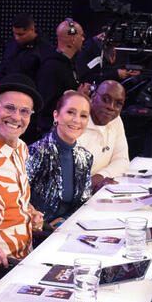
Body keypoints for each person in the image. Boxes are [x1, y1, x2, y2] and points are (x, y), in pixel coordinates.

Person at [0, 73, 45, 262]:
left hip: (26, 258)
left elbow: (10, 199)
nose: (16, 117)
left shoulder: (21, 148)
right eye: (9, 108)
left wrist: (30, 212)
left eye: (24, 111)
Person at [27, 91, 93, 227]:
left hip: (69, 229)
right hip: (35, 235)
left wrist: (64, 221)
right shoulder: (35, 152)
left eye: (83, 116)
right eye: (70, 112)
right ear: (56, 115)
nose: (77, 120)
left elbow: (84, 202)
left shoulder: (85, 157)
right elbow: (18, 200)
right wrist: (45, 225)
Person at [75, 80, 129, 191]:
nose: (111, 107)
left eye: (118, 104)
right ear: (93, 97)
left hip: (100, 188)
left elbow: (122, 160)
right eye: (106, 99)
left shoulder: (116, 120)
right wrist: (91, 183)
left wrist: (100, 176)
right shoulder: (75, 121)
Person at [36, 18, 85, 131]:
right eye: (81, 35)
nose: (83, 39)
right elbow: (46, 103)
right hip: (52, 130)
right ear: (73, 38)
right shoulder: (51, 66)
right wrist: (77, 96)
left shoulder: (69, 63)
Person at [0, 13, 53, 82]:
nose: (17, 38)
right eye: (14, 33)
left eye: (21, 34)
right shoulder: (12, 42)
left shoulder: (44, 48)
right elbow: (3, 69)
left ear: (32, 29)